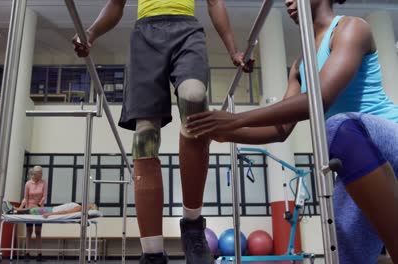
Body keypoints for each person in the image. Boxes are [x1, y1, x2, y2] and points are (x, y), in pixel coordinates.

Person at [186, 0, 398, 263]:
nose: (288, 1)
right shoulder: (300, 65)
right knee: (347, 257)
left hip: (387, 139)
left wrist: (234, 120)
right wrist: (222, 132)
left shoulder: (351, 28)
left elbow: (321, 97)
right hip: (357, 161)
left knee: (339, 127)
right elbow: (280, 130)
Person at [72, 0, 252, 263]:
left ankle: (192, 226)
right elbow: (115, 4)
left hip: (186, 30)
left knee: (194, 98)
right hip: (145, 35)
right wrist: (90, 34)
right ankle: (153, 252)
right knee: (145, 137)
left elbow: (215, 3)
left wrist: (234, 50)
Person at [19, 166, 47, 262]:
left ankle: (39, 254)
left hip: (39, 210)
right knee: (29, 231)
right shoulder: (28, 184)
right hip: (29, 209)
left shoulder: (43, 182)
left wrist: (39, 205)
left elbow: (44, 196)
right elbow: (25, 198)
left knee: (38, 232)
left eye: (42, 173)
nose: (42, 174)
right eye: (40, 173)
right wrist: (20, 208)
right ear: (35, 174)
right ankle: (27, 253)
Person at [2, 201, 98, 218]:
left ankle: (12, 211)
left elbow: (65, 212)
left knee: (32, 210)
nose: (88, 202)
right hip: (52, 209)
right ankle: (14, 210)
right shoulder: (79, 206)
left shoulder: (79, 208)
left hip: (51, 211)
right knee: (32, 209)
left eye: (90, 204)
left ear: (89, 207)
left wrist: (50, 215)